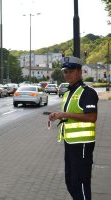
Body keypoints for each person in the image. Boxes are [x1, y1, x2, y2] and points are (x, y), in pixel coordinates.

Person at [49, 56, 98, 200]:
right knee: (70, 181)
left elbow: (92, 117)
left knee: (80, 182)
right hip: (70, 143)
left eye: (70, 71)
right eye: (65, 72)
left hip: (82, 144)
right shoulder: (68, 92)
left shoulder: (87, 92)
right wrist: (58, 115)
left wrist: (66, 114)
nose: (67, 74)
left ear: (79, 72)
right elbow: (70, 115)